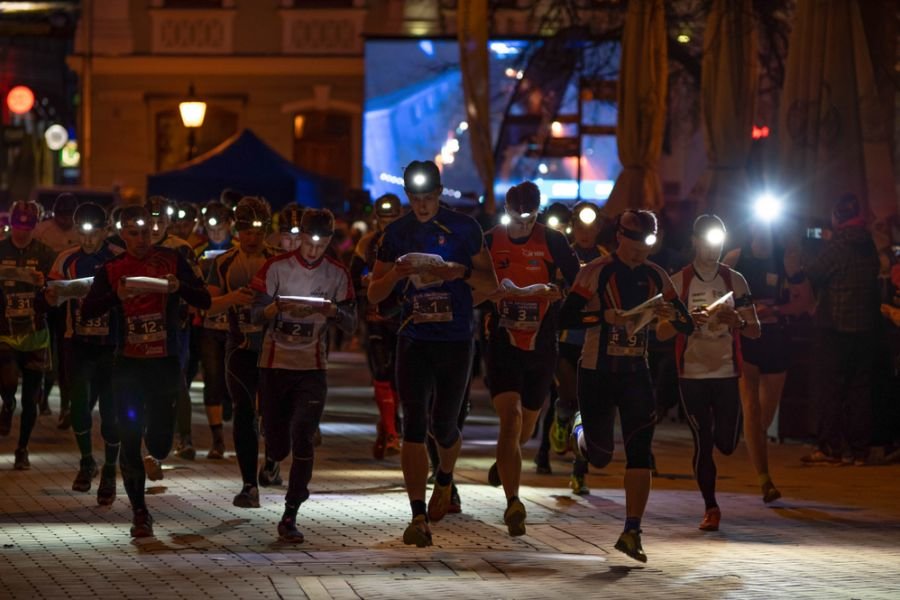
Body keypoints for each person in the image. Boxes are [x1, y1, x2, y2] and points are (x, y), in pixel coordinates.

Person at [368, 160, 498, 547]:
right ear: (407, 196)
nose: (422, 206)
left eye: (428, 198)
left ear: (440, 193)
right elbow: (374, 293)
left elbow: (490, 284)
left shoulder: (465, 228)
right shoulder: (397, 233)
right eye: (415, 199)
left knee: (444, 425)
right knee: (413, 422)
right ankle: (417, 516)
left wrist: (459, 273)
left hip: (455, 339)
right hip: (414, 337)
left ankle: (444, 477)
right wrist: (396, 274)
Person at [559, 209, 693, 562]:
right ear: (619, 236)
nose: (640, 251)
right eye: (634, 243)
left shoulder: (656, 274)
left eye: (647, 244)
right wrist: (603, 317)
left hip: (636, 372)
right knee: (600, 456)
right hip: (597, 371)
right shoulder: (595, 271)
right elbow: (565, 317)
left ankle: (632, 531)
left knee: (640, 450)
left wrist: (671, 316)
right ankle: (578, 427)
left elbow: (687, 324)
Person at [81, 205, 211, 537]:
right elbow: (87, 311)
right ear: (121, 234)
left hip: (164, 364)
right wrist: (115, 296)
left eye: (146, 232)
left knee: (160, 443)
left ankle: (157, 451)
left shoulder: (172, 259)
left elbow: (205, 300)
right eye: (133, 233)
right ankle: (140, 513)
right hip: (127, 365)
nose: (141, 239)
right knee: (129, 437)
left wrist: (178, 288)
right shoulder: (111, 268)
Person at [251, 208, 356, 542]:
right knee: (278, 441)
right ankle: (272, 458)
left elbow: (352, 323)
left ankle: (291, 512)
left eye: (321, 244)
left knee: (303, 435)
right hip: (274, 365)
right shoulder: (276, 267)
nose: (313, 250)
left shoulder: (337, 273)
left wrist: (333, 310)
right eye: (309, 243)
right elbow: (254, 314)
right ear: (299, 237)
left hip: (312, 369)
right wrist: (275, 308)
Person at [482, 181, 579, 536]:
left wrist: (559, 292)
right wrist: (488, 293)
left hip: (541, 344)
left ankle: (504, 462)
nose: (523, 226)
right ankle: (514, 503)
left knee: (525, 430)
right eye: (516, 219)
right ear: (505, 211)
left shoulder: (553, 241)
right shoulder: (490, 240)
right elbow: (471, 282)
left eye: (529, 219)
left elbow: (578, 282)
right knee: (510, 419)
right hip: (502, 340)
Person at [666, 215, 760, 531]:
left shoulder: (736, 280)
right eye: (707, 242)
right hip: (691, 374)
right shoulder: (679, 281)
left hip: (726, 372)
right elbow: (661, 331)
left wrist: (738, 322)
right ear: (694, 241)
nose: (713, 249)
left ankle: (713, 495)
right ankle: (711, 507)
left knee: (727, 444)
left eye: (718, 241)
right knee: (702, 440)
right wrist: (685, 321)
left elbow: (755, 330)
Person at [723, 212, 811, 500]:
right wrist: (740, 313)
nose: (762, 231)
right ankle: (765, 479)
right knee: (751, 406)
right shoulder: (736, 258)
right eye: (758, 225)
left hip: (775, 339)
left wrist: (773, 310)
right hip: (746, 338)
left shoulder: (786, 258)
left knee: (765, 414)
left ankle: (755, 445)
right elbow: (717, 297)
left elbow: (804, 302)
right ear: (750, 226)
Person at [206, 197, 281, 507]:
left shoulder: (279, 261)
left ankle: (273, 460)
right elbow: (209, 305)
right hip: (239, 347)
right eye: (247, 232)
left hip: (276, 350)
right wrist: (233, 298)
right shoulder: (222, 263)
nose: (253, 238)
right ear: (237, 230)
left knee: (274, 414)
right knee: (244, 412)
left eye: (259, 232)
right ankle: (249, 485)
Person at [800, 194, 880, 465]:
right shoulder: (869, 245)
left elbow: (812, 272)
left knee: (831, 389)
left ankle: (830, 448)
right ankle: (859, 450)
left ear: (837, 217)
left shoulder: (837, 246)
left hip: (834, 327)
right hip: (866, 327)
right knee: (860, 389)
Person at [49, 203, 120, 503]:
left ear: (105, 231)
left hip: (112, 344)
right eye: (82, 233)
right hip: (77, 342)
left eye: (94, 233)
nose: (88, 240)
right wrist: (51, 293)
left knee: (111, 413)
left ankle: (110, 470)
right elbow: (51, 295)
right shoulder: (66, 259)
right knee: (78, 406)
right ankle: (87, 461)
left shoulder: (117, 257)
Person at [551, 201, 608, 495]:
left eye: (591, 228)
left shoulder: (606, 260)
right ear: (573, 227)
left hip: (592, 341)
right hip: (564, 339)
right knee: (568, 396)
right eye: (580, 227)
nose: (586, 233)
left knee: (587, 408)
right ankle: (561, 416)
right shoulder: (562, 254)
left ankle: (579, 471)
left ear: (598, 229)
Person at [0, 201, 56, 469]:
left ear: (35, 226)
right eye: (18, 225)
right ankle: (7, 403)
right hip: (5, 329)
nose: (22, 231)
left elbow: (56, 291)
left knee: (32, 396)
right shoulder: (1, 249)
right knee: (8, 380)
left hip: (35, 331)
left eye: (28, 226)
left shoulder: (45, 253)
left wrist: (45, 286)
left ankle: (22, 449)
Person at [146, 196, 201, 466]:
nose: (156, 227)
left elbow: (198, 287)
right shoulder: (132, 246)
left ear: (170, 222)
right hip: (139, 326)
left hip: (174, 328)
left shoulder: (181, 248)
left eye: (161, 221)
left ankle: (185, 438)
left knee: (176, 382)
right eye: (151, 221)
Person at [350, 193, 404, 459]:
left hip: (404, 317)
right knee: (381, 372)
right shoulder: (367, 243)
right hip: (375, 318)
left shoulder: (410, 240)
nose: (388, 223)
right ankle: (392, 433)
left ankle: (389, 424)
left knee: (401, 377)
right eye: (384, 219)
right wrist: (366, 280)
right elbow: (353, 275)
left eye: (392, 218)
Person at [193, 201, 236, 458]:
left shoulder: (239, 251)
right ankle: (217, 439)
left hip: (234, 325)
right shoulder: (198, 251)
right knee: (212, 377)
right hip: (208, 326)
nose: (217, 234)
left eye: (221, 229)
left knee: (237, 378)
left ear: (230, 225)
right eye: (212, 230)